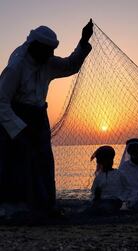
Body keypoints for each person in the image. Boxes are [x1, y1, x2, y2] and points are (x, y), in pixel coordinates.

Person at [0, 19, 93, 216]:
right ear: (36, 47)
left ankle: (45, 206)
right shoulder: (17, 66)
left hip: (39, 117)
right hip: (15, 119)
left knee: (44, 162)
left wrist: (83, 41)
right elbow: (1, 102)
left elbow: (70, 65)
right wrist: (19, 130)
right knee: (17, 162)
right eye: (48, 51)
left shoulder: (46, 62)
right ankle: (16, 207)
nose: (51, 55)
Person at [89, 146, 126, 214]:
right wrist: (97, 196)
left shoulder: (119, 174)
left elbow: (126, 189)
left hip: (115, 201)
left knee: (102, 208)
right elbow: (94, 193)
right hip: (102, 201)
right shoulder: (99, 176)